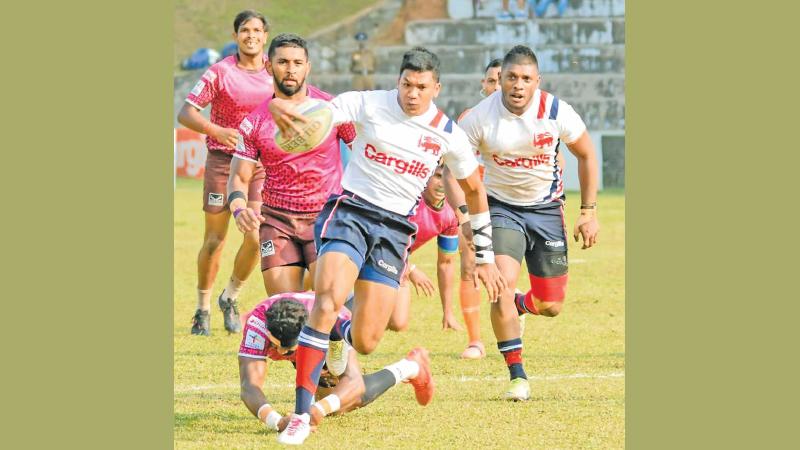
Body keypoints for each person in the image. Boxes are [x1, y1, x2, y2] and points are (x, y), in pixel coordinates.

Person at [256, 46, 507, 445]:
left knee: (367, 340)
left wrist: (485, 255)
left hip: (394, 233)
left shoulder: (447, 134)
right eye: (406, 84)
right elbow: (327, 114)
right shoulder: (368, 103)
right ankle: (302, 415)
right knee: (325, 301)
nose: (412, 93)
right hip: (351, 211)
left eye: (421, 87)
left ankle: (399, 361)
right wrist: (291, 116)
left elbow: (476, 192)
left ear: (435, 88)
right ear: (398, 81)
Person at [456, 45, 600, 401]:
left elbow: (585, 154)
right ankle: (517, 375)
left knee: (551, 306)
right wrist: (464, 215)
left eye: (525, 79)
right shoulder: (478, 118)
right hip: (499, 208)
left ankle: (522, 305)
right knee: (500, 284)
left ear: (537, 81)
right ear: (499, 80)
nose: (517, 85)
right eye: (510, 78)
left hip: (546, 209)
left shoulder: (556, 111)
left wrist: (589, 211)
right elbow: (453, 166)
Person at [227, 33, 356, 297]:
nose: (290, 69)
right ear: (268, 66)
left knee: (330, 304)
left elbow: (365, 151)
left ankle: (337, 338)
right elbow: (239, 178)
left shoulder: (331, 109)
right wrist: (240, 208)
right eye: (283, 62)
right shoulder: (254, 122)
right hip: (276, 221)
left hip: (325, 219)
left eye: (298, 63)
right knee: (284, 310)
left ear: (307, 67)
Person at [177, 10, 274, 336]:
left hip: (259, 166)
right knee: (215, 240)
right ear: (236, 36)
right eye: (245, 30)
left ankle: (230, 296)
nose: (251, 36)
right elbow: (186, 112)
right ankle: (202, 309)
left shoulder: (275, 72)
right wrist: (216, 130)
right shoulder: (220, 72)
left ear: (265, 36)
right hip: (222, 162)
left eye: (257, 30)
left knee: (257, 236)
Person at [238, 291, 433, 434]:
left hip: (326, 337)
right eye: (274, 345)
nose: (279, 352)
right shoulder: (258, 323)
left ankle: (410, 366)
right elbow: (249, 386)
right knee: (332, 401)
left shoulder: (332, 318)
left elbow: (354, 383)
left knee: (342, 402)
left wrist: (319, 409)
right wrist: (277, 421)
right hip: (304, 344)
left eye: (286, 349)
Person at [386, 164, 462, 333]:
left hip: (398, 263)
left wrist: (448, 312)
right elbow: (383, 239)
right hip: (372, 254)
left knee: (397, 323)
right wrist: (411, 269)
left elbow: (446, 263)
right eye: (437, 176)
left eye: (446, 178)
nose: (442, 184)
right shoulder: (408, 201)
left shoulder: (450, 216)